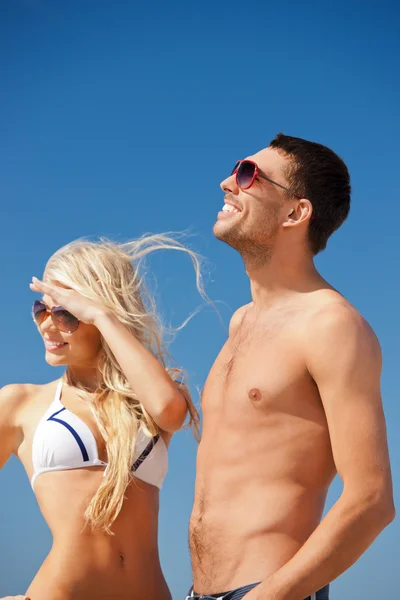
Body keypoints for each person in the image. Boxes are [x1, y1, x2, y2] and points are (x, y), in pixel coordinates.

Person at [188, 134, 395, 600]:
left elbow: (371, 500)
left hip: (266, 590)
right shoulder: (241, 322)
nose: (227, 183)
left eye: (247, 174)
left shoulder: (331, 325)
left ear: (295, 213)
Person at [0, 234, 201, 600]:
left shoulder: (148, 398)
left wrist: (102, 315)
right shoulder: (20, 403)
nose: (47, 325)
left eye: (64, 313)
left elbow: (170, 413)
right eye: (41, 309)